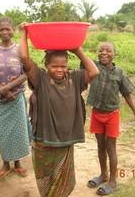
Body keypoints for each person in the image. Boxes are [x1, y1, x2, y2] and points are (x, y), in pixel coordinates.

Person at [20, 24, 99, 197]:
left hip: (65, 140)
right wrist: (24, 33)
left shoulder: (75, 78)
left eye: (63, 66)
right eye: (55, 66)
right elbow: (24, 57)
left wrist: (77, 49)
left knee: (62, 184)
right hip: (44, 140)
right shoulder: (40, 79)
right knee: (46, 178)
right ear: (46, 66)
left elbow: (94, 71)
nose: (59, 70)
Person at [85, 42, 135, 196]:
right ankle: (103, 175)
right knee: (100, 146)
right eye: (101, 50)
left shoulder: (120, 73)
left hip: (112, 115)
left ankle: (113, 181)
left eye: (108, 51)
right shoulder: (92, 67)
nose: (104, 53)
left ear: (114, 54)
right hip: (96, 113)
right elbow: (81, 57)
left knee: (110, 147)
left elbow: (126, 94)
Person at [0, 17, 30, 180]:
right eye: (1, 29)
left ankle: (17, 163)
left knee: (17, 132)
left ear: (12, 30)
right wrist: (0, 90)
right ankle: (5, 163)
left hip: (16, 99)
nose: (5, 32)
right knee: (2, 133)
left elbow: (26, 73)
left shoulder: (19, 50)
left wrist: (8, 88)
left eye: (8, 29)